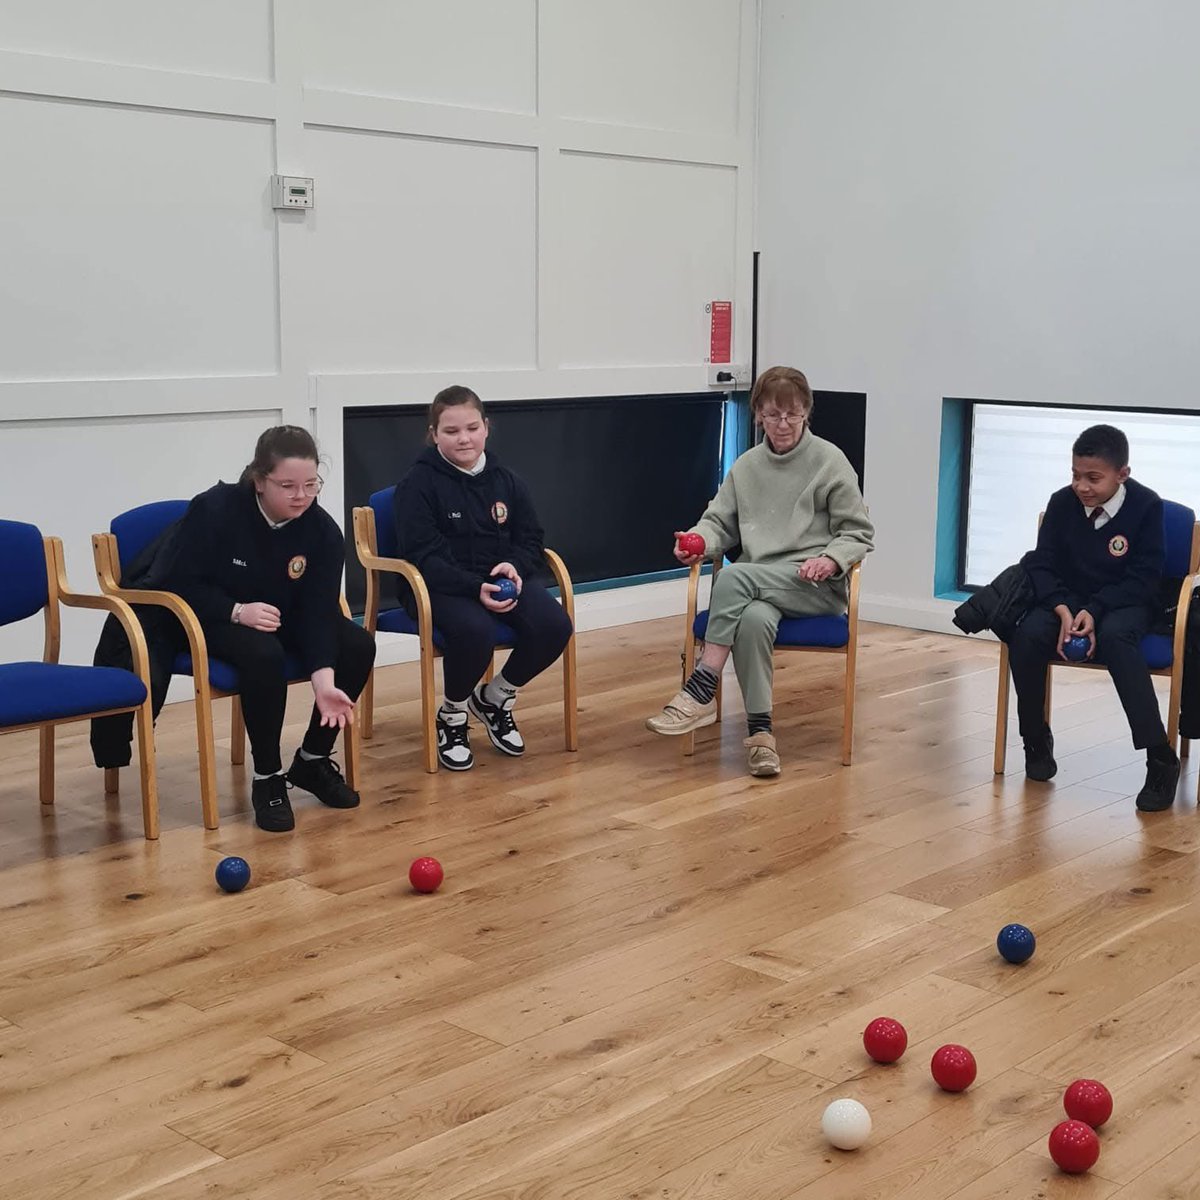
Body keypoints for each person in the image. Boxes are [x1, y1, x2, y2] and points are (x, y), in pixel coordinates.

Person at [103, 425, 373, 832]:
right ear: (260, 480)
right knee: (264, 654)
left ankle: (313, 761)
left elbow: (318, 612)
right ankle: (268, 778)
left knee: (357, 645)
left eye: (311, 485)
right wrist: (235, 610)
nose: (301, 496)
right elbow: (176, 582)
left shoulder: (322, 530)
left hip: (281, 614)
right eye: (287, 485)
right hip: (206, 616)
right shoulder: (215, 509)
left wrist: (323, 680)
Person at [645, 366, 874, 776]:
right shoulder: (747, 467)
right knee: (750, 620)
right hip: (758, 589)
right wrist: (696, 543)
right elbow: (717, 521)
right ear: (758, 416)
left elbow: (857, 531)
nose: (782, 425)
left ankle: (701, 686)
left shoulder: (829, 462)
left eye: (792, 415)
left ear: (806, 413)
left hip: (813, 584)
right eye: (772, 415)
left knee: (733, 577)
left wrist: (832, 559)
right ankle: (761, 738)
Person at [392, 385, 573, 770]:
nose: (464, 439)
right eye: (452, 431)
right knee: (476, 631)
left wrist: (514, 566)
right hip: (437, 585)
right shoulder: (418, 484)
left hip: (498, 579)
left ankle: (494, 698)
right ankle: (453, 715)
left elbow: (531, 539)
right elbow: (423, 556)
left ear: (486, 428)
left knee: (555, 625)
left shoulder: (507, 480)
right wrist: (475, 587)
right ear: (433, 435)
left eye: (472, 428)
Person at [1012, 423, 1180, 811]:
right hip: (1067, 602)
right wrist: (1062, 607)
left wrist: (1095, 609)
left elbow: (1145, 577)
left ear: (1122, 475)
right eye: (1075, 475)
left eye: (1093, 478)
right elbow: (1043, 564)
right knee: (1027, 635)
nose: (1081, 486)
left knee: (1119, 640)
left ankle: (1159, 757)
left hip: (1124, 603)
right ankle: (1035, 738)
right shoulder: (1060, 503)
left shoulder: (1146, 506)